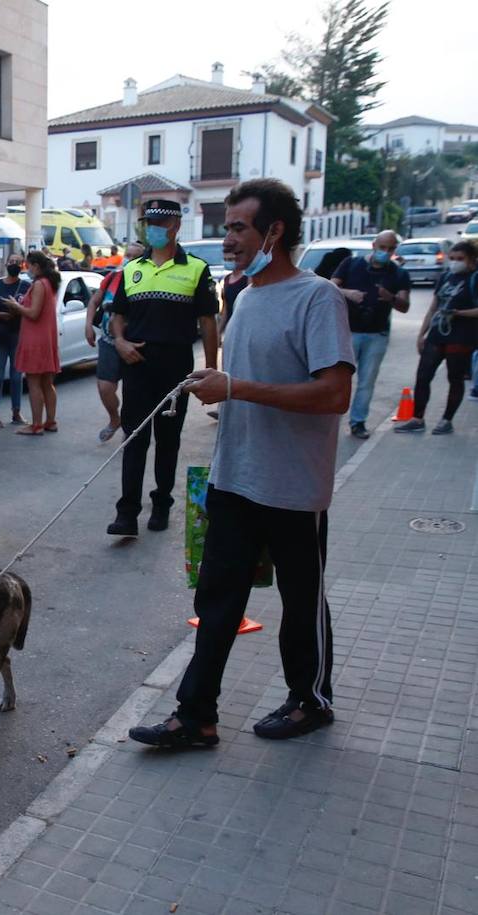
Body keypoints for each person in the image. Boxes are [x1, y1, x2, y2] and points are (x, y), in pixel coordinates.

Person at [129, 178, 353, 749]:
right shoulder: (246, 295)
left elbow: (334, 395)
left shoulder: (317, 298)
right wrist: (218, 384)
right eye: (227, 227)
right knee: (217, 600)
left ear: (273, 231)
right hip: (235, 478)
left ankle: (310, 700)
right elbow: (242, 384)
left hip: (294, 487)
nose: (226, 239)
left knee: (301, 600)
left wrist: (237, 387)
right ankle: (196, 716)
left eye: (237, 228)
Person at [106, 199, 219, 537]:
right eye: (147, 223)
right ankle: (127, 514)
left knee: (168, 441)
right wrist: (120, 342)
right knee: (134, 438)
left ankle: (162, 503)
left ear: (175, 226)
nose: (151, 229)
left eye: (157, 223)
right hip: (137, 367)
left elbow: (208, 322)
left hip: (176, 369)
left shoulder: (196, 269)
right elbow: (117, 316)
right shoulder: (131, 270)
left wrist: (211, 370)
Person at [330, 230, 411, 439]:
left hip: (377, 335)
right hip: (348, 331)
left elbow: (404, 306)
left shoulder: (398, 274)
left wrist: (390, 297)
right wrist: (349, 293)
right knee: (339, 378)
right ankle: (329, 420)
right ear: (374, 245)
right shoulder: (351, 264)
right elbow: (330, 287)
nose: (385, 252)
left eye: (390, 248)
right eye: (382, 247)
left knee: (366, 381)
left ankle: (358, 422)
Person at [395, 239, 478, 435]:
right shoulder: (445, 277)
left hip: (461, 336)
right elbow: (433, 307)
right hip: (436, 333)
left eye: (460, 259)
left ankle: (446, 420)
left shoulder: (475, 279)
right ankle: (417, 418)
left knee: (454, 378)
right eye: (453, 258)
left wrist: (458, 313)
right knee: (423, 375)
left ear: (471, 260)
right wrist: (421, 334)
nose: (455, 262)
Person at [84, 242, 144, 441]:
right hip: (109, 342)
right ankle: (114, 419)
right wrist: (88, 325)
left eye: (135, 256)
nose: (130, 259)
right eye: (128, 254)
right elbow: (94, 301)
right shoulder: (112, 277)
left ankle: (130, 427)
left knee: (133, 391)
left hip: (134, 344)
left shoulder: (144, 281)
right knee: (105, 387)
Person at [13, 251, 62, 437]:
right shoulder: (49, 283)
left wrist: (16, 306)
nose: (27, 269)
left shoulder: (40, 285)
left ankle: (36, 425)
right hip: (46, 338)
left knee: (34, 383)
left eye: (28, 265)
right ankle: (50, 421)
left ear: (36, 266)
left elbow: (33, 313)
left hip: (35, 339)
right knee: (47, 383)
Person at [0, 255, 29, 428]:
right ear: (6, 264)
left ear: (22, 265)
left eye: (17, 263)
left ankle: (16, 412)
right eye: (11, 262)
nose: (14, 265)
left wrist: (19, 309)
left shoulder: (27, 286)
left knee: (17, 376)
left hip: (18, 334)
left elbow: (32, 309)